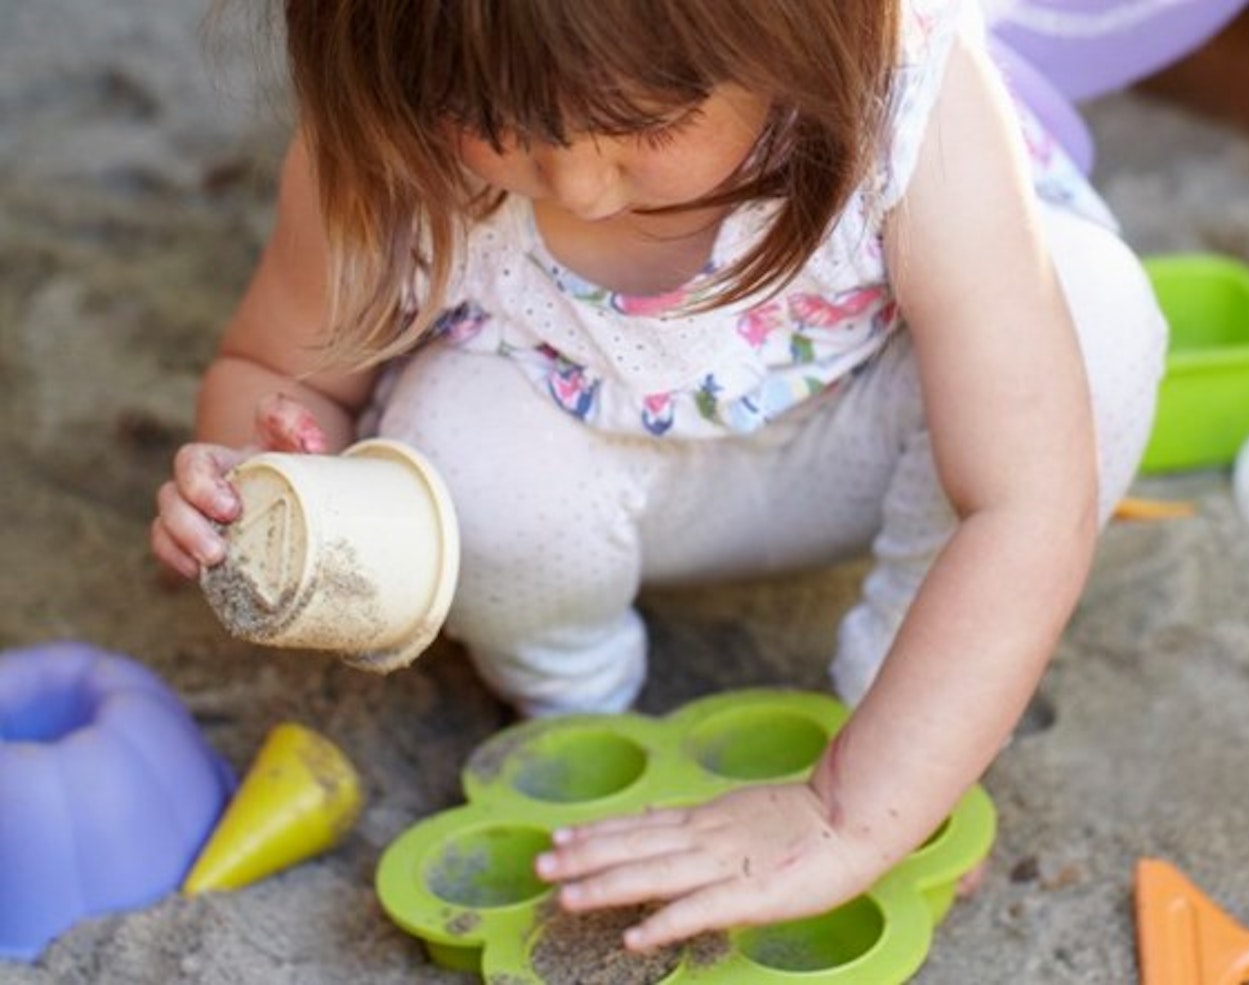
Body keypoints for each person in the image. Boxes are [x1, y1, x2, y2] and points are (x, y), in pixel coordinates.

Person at [153, 0, 1166, 953]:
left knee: (1091, 319)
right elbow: (280, 376)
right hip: (580, 474)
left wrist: (848, 815)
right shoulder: (392, 141)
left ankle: (897, 718)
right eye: (495, 122)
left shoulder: (904, 97)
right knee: (452, 439)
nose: (581, 183)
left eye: (649, 122)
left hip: (877, 441)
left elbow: (1024, 498)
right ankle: (580, 716)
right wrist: (269, 488)